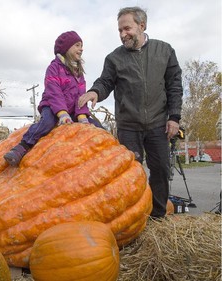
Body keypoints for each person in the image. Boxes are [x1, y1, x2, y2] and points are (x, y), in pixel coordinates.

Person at [78, 7, 183, 219]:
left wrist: (174, 117)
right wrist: (95, 92)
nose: (122, 34)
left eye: (127, 28)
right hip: (128, 127)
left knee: (161, 171)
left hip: (157, 124)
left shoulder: (164, 51)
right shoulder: (114, 58)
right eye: (119, 30)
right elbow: (105, 81)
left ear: (142, 26)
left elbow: (174, 85)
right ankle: (133, 220)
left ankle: (158, 216)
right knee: (129, 176)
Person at [4, 30, 103, 167]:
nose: (81, 49)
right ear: (66, 48)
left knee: (96, 126)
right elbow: (54, 92)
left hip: (72, 110)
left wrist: (81, 117)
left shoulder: (79, 73)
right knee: (47, 123)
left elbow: (81, 96)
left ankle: (117, 152)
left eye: (82, 46)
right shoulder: (54, 68)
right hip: (51, 106)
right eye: (77, 45)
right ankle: (22, 147)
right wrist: (62, 113)